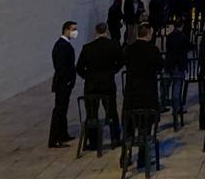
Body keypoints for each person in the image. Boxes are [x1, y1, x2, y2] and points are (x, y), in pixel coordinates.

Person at [75, 21, 124, 148]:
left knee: (92, 113)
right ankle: (115, 138)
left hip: (91, 85)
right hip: (107, 83)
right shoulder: (113, 45)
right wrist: (112, 71)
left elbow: (79, 67)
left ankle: (93, 142)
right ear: (106, 31)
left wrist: (88, 77)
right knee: (112, 111)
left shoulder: (87, 48)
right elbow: (121, 61)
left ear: (96, 32)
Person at [121, 24, 162, 168]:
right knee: (145, 128)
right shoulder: (153, 50)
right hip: (147, 94)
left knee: (129, 128)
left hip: (131, 94)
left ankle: (124, 157)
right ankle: (143, 158)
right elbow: (159, 66)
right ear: (148, 33)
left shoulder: (129, 50)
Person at [49, 20, 78, 148]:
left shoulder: (64, 44)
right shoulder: (62, 46)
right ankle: (55, 138)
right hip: (62, 83)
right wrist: (66, 81)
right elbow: (61, 66)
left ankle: (63, 134)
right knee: (59, 110)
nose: (75, 32)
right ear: (66, 30)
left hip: (65, 83)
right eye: (73, 29)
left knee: (63, 109)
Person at [164, 19, 191, 116]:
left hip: (170, 63)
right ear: (182, 26)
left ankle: (163, 103)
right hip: (179, 64)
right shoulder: (183, 37)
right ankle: (176, 108)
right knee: (177, 86)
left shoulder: (169, 37)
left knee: (166, 85)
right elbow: (189, 47)